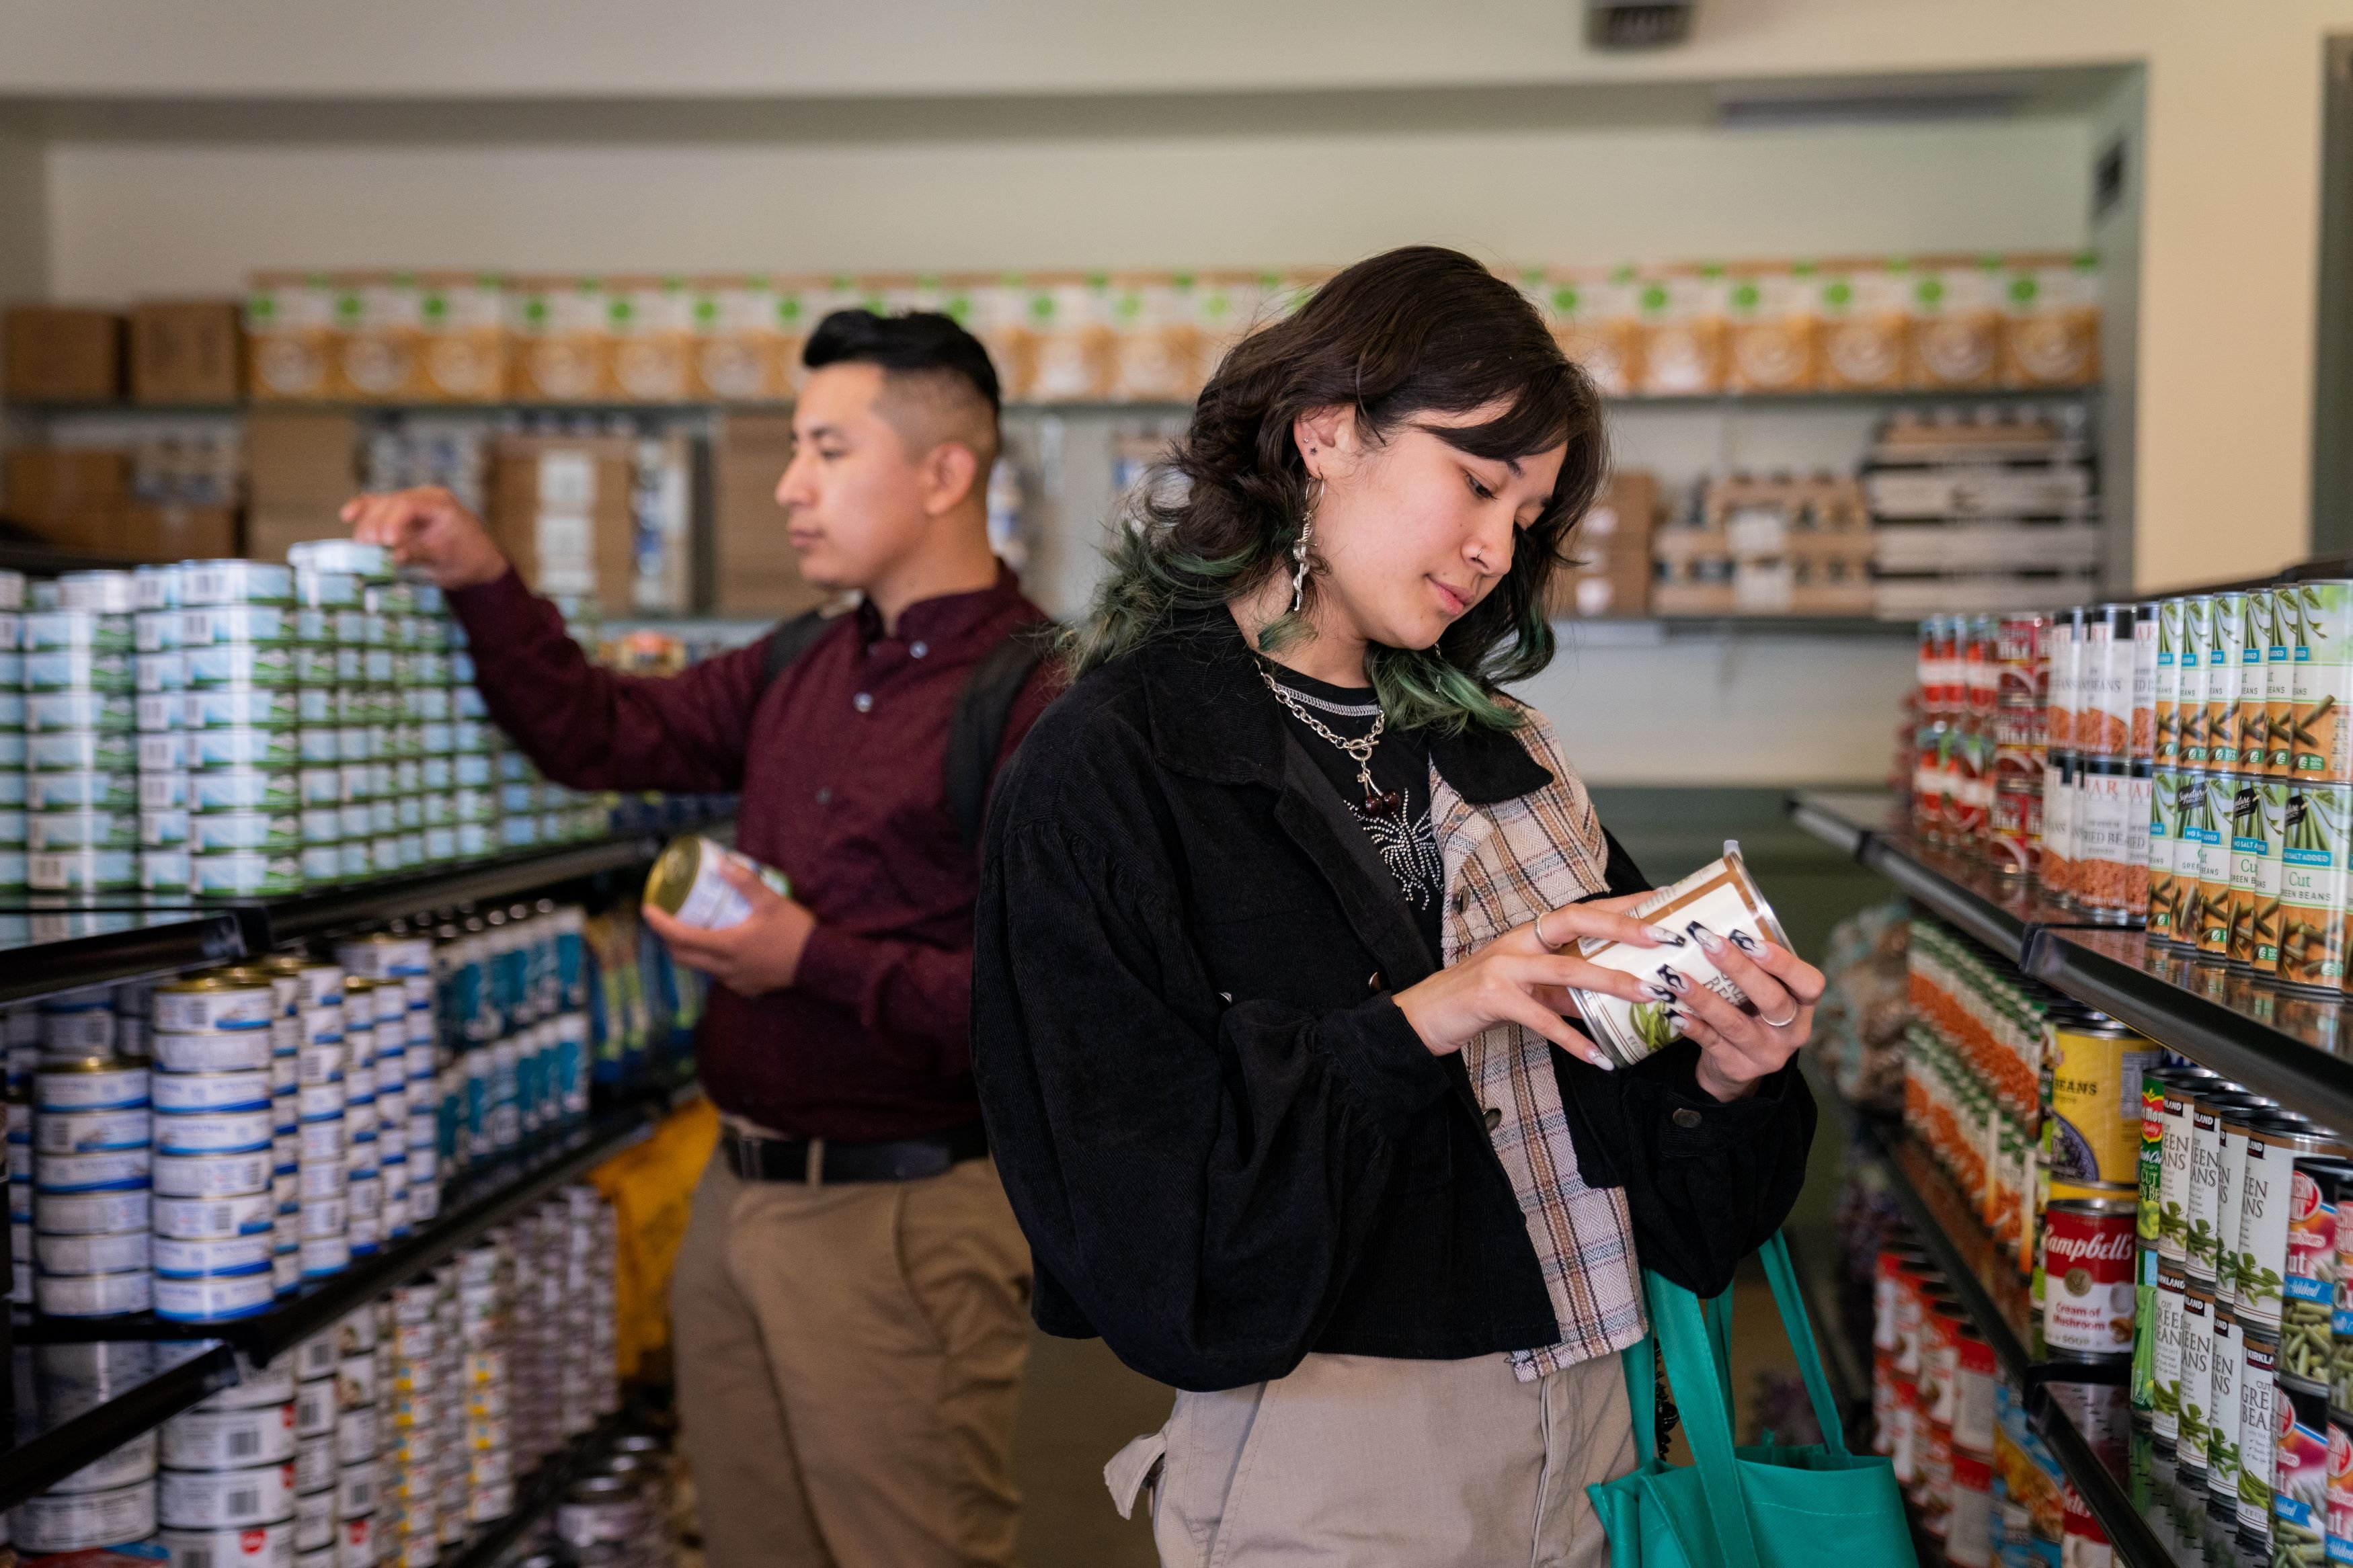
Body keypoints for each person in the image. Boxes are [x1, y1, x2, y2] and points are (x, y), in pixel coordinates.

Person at [970, 247, 1822, 1568]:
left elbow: (1681, 1202)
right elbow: (1143, 1229)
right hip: (1338, 1458)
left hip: (1599, 1440)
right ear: (1324, 433)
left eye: (1526, 519)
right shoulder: (1113, 766)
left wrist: (1727, 1071)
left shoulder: (1501, 752)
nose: (1494, 548)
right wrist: (1431, 1015)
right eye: (1475, 483)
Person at [342, 309, 1055, 1568]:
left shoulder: (1041, 698)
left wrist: (806, 959)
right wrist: (479, 574)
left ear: (946, 472)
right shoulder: (797, 662)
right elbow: (598, 735)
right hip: (738, 1196)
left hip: (904, 1215)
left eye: (828, 450)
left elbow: (1047, 1006)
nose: (790, 486)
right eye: (795, 447)